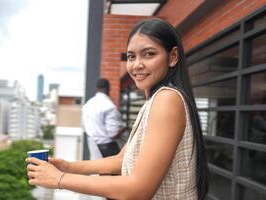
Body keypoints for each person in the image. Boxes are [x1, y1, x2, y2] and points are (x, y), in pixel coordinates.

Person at [26, 18, 209, 199]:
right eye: (131, 56)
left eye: (149, 54)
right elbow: (121, 159)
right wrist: (68, 167)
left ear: (173, 57)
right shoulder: (156, 100)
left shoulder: (166, 99)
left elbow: (139, 190)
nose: (136, 64)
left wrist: (60, 179)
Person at [82, 78, 124, 159]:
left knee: (96, 171)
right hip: (108, 149)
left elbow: (84, 128)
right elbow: (113, 134)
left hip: (93, 146)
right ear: (108, 89)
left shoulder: (87, 105)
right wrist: (124, 129)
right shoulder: (109, 106)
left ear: (96, 89)